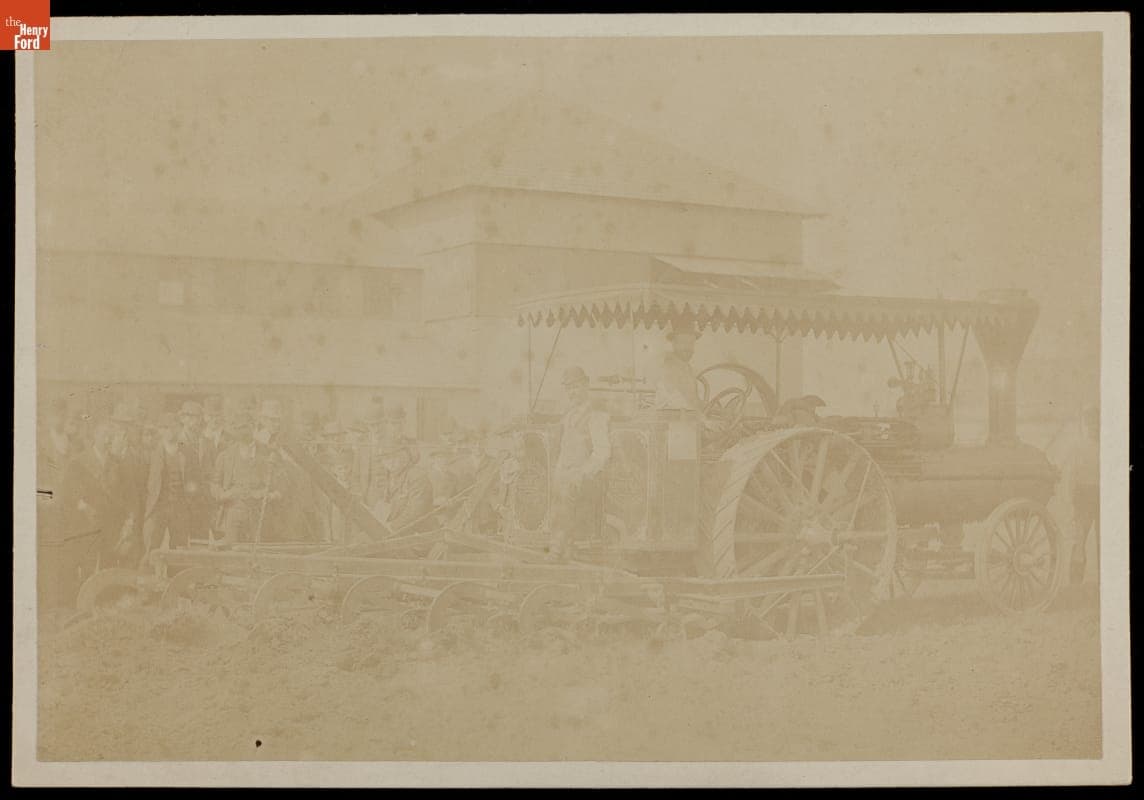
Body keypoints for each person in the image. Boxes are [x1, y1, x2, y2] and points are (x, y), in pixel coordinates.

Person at [56, 416, 134, 600]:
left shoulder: (117, 463)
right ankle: (83, 601)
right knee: (88, 563)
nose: (108, 439)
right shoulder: (79, 461)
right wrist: (83, 506)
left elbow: (127, 494)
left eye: (111, 435)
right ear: (94, 436)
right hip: (87, 523)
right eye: (104, 435)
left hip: (112, 523)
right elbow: (68, 493)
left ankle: (105, 600)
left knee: (109, 562)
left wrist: (129, 519)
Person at [549, 366, 611, 560]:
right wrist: (558, 473)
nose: (572, 392)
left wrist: (582, 473)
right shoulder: (568, 416)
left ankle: (558, 546)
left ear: (586, 385)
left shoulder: (596, 416)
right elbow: (564, 451)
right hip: (568, 474)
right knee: (555, 488)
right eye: (568, 388)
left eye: (575, 387)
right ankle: (565, 545)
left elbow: (602, 453)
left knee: (568, 489)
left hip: (589, 478)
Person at [211, 413, 282, 545]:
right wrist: (223, 494)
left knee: (258, 551)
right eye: (238, 428)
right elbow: (215, 484)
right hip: (232, 512)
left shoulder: (269, 454)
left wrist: (268, 496)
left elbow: (280, 488)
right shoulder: (225, 456)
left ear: (253, 427)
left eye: (245, 427)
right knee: (231, 551)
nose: (241, 431)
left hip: (259, 515)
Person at [142, 412, 193, 553]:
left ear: (178, 428)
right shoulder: (151, 452)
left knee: (180, 549)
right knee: (151, 547)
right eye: (165, 427)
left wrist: (189, 500)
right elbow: (142, 481)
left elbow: (194, 481)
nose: (169, 431)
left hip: (179, 507)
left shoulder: (187, 452)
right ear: (160, 430)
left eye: (172, 427)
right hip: (157, 506)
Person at [371, 440, 435, 535]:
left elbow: (416, 511)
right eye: (385, 459)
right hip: (396, 530)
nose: (390, 463)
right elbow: (385, 504)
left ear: (404, 458)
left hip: (418, 534)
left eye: (394, 458)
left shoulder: (417, 476)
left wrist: (392, 526)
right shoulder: (391, 475)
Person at [1068, 405, 1100, 585]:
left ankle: (1105, 584)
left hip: (1102, 496)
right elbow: (1072, 475)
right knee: (1079, 540)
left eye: (1096, 423)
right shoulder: (1079, 447)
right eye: (1090, 423)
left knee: (1104, 540)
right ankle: (1075, 583)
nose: (1094, 427)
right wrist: (1073, 500)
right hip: (1083, 496)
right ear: (1086, 425)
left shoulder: (1107, 446)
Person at [654, 323, 704, 412]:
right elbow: (692, 400)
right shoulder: (671, 365)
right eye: (683, 342)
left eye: (691, 343)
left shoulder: (686, 366)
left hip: (685, 415)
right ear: (674, 344)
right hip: (672, 417)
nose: (688, 348)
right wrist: (707, 413)